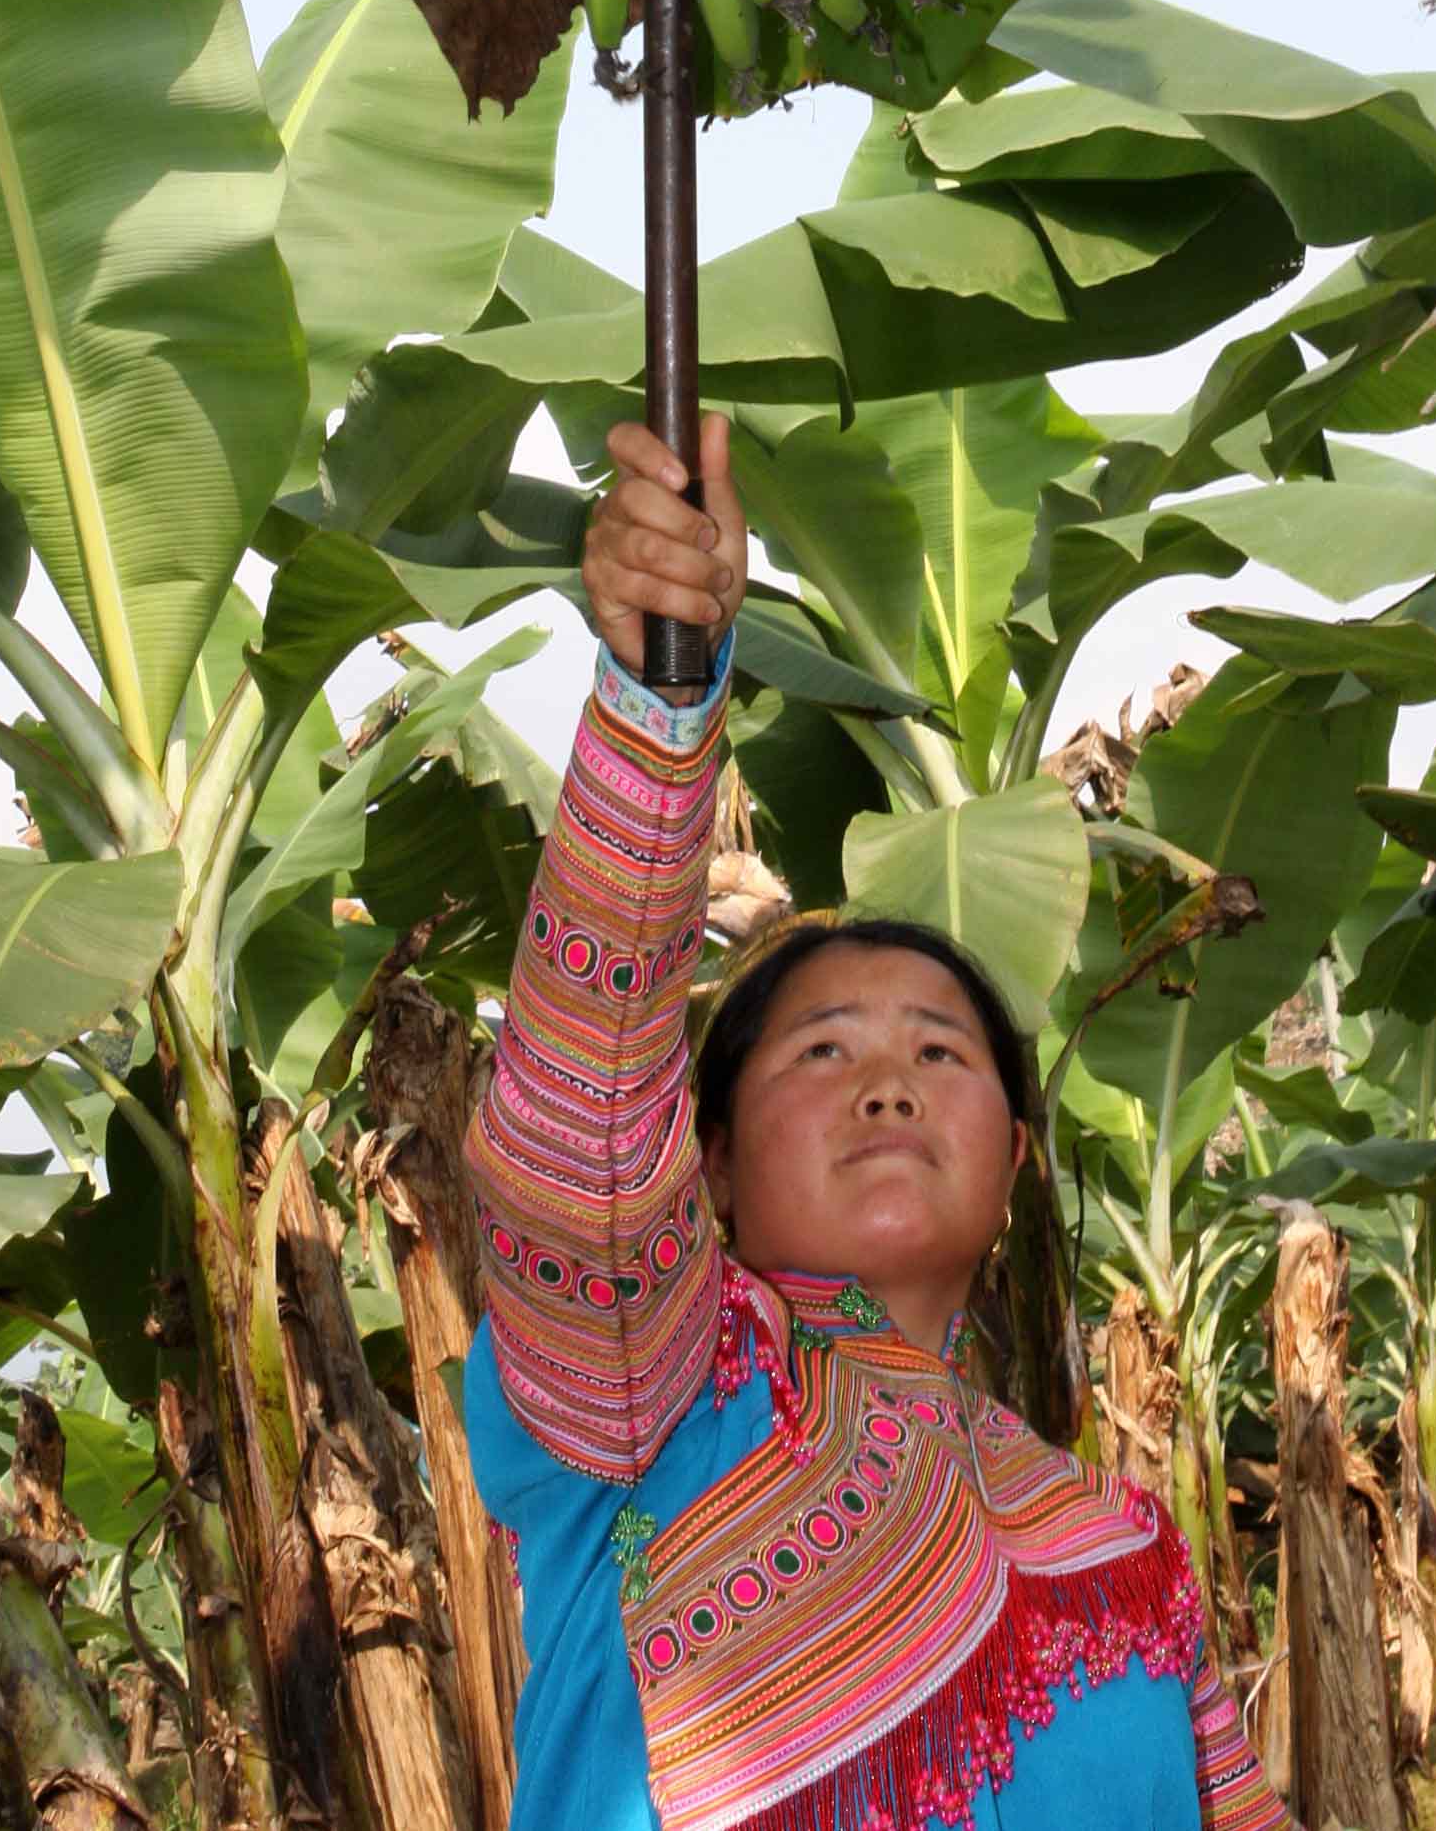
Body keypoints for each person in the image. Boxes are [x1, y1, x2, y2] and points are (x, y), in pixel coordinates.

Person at [462, 409, 1287, 1831]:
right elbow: (576, 1114)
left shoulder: (1122, 1545)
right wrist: (661, 699)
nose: (886, 1082)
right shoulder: (652, 1402)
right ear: (705, 1159)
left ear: (1016, 1158)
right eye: (821, 1048)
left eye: (940, 1052)